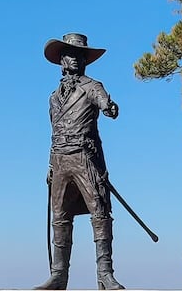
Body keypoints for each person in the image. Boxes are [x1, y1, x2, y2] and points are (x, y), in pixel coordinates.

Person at [34, 32, 126, 290]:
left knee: (100, 214)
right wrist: (51, 165)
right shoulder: (53, 97)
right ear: (62, 60)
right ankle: (58, 275)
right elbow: (54, 132)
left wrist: (109, 106)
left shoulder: (93, 87)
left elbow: (106, 104)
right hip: (60, 160)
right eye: (71, 54)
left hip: (86, 159)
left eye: (80, 55)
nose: (75, 58)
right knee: (60, 217)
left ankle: (105, 274)